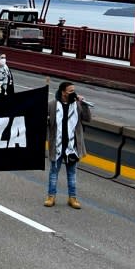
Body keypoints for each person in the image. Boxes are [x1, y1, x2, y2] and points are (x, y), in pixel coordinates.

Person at [45, 80, 91, 209]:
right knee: (54, 172)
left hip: (72, 145)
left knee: (72, 173)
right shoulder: (52, 105)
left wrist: (84, 105)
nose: (73, 93)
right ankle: (51, 196)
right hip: (58, 145)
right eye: (70, 91)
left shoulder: (77, 105)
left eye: (74, 91)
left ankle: (72, 198)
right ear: (63, 92)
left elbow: (88, 119)